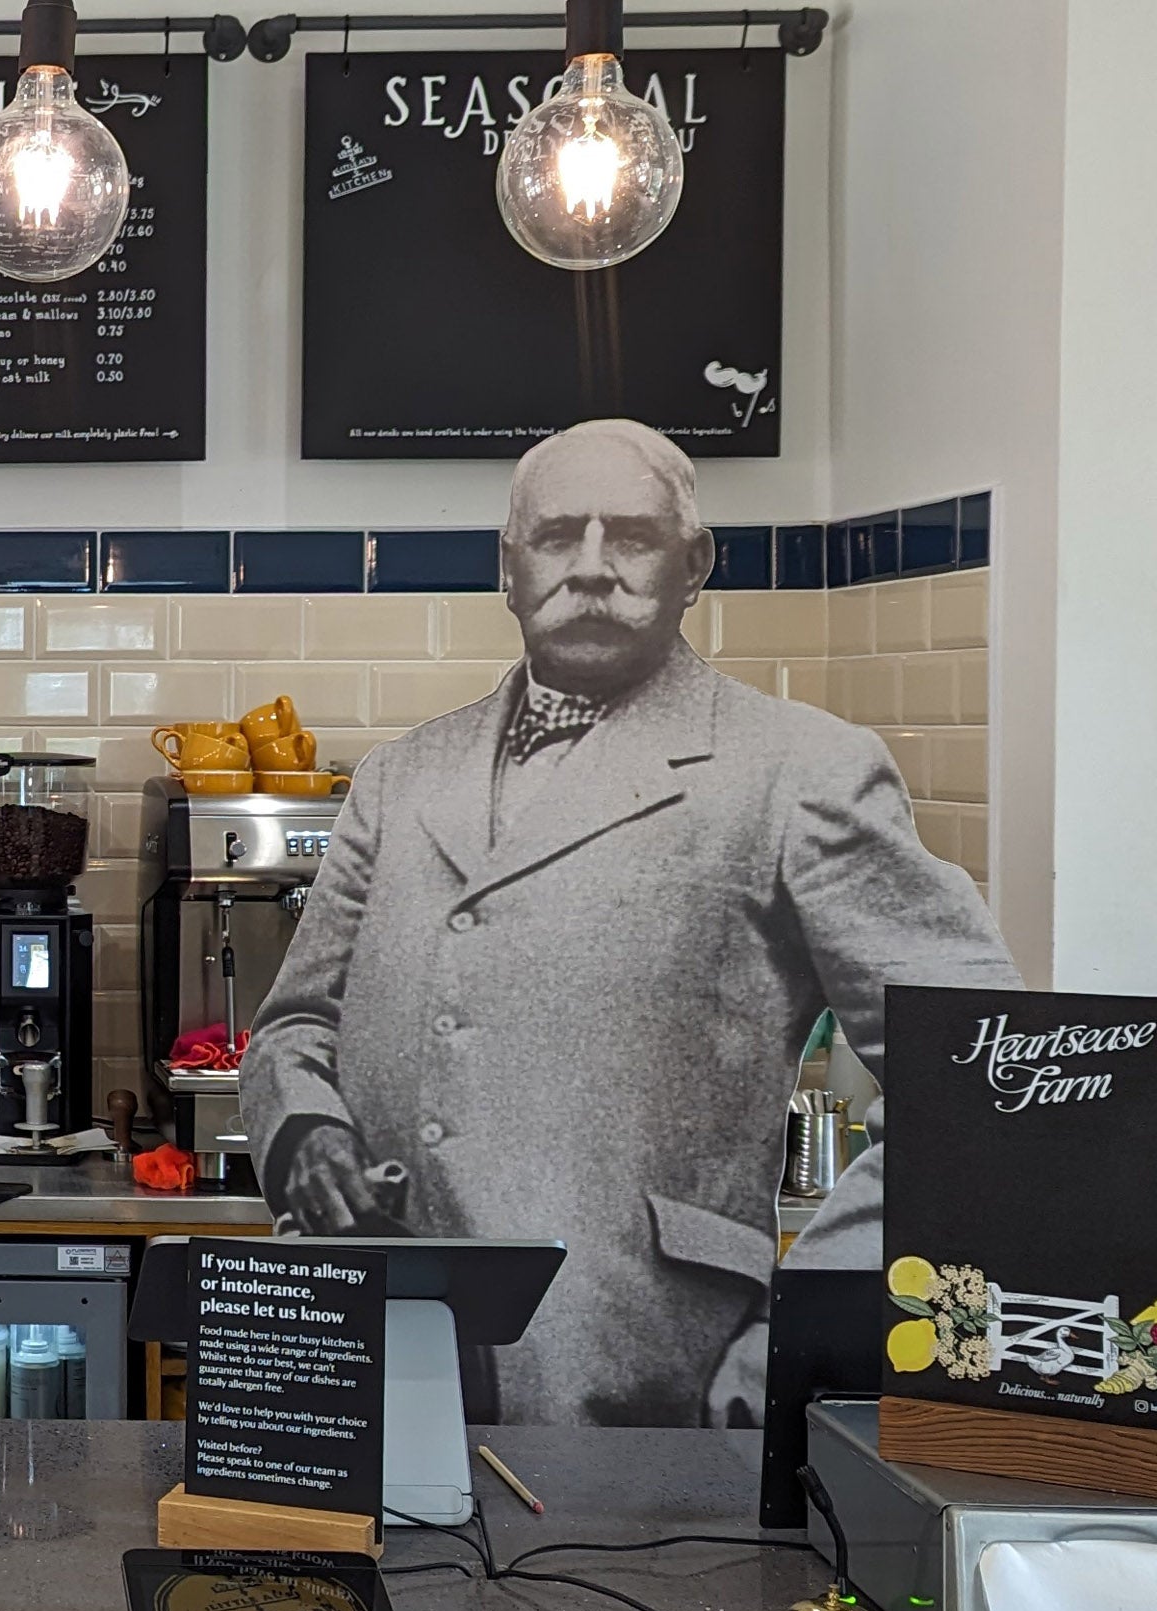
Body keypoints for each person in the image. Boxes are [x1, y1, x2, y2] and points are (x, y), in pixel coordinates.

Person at [240, 419, 1018, 1427]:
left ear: (695, 565)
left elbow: (986, 1086)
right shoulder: (403, 776)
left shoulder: (801, 772)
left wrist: (798, 1338)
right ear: (509, 570)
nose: (594, 568)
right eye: (559, 535)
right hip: (359, 1361)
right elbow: (296, 1026)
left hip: (641, 1381)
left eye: (635, 537)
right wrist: (302, 1133)